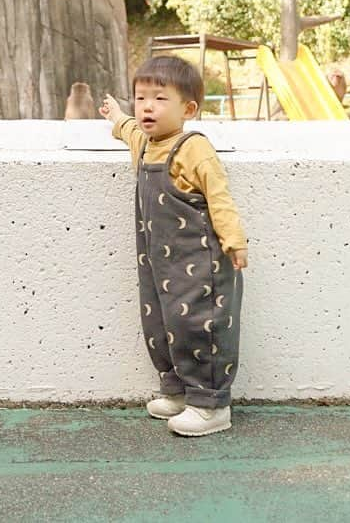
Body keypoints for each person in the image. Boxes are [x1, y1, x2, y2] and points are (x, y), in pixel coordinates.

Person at [99, 56, 247, 437]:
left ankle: (211, 403)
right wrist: (116, 113)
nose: (147, 106)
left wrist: (234, 241)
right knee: (162, 324)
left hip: (199, 262)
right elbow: (128, 128)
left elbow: (219, 195)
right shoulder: (147, 145)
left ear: (189, 108)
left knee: (197, 323)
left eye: (160, 98)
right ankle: (178, 389)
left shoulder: (192, 148)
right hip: (158, 264)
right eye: (140, 97)